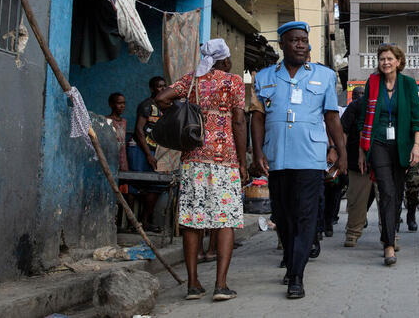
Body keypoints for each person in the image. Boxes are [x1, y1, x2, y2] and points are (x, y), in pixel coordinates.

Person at [251, 21, 346, 298]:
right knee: (283, 216)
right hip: (277, 157)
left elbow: (332, 117)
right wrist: (257, 153)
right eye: (294, 40)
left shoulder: (324, 76)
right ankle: (292, 263)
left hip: (310, 157)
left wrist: (341, 152)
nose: (301, 44)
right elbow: (257, 117)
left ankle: (296, 276)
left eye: (304, 40)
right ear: (282, 44)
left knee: (305, 216)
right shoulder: (265, 77)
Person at [155, 38, 248, 301]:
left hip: (193, 159)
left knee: (192, 220)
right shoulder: (233, 82)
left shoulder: (191, 80)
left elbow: (161, 98)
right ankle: (220, 285)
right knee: (225, 220)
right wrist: (242, 162)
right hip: (224, 159)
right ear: (225, 60)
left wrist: (184, 109)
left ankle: (193, 284)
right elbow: (239, 121)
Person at [357, 43, 419, 266]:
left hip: (402, 145)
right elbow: (363, 117)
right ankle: (388, 244)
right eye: (382, 59)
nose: (385, 62)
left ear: (398, 61)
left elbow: (417, 118)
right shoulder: (373, 83)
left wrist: (416, 146)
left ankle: (391, 231)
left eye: (389, 58)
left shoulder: (408, 84)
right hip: (378, 143)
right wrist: (361, 150)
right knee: (386, 191)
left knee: (396, 193)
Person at [130, 76, 167, 233]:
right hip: (140, 149)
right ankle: (132, 223)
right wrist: (148, 155)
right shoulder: (147, 105)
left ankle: (144, 221)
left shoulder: (166, 108)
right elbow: (139, 131)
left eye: (164, 86)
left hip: (156, 150)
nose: (163, 89)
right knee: (134, 184)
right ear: (152, 89)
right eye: (159, 86)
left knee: (157, 185)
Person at [341, 86, 373, 247]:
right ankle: (352, 232)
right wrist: (342, 155)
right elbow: (343, 131)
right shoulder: (356, 106)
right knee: (356, 199)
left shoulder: (391, 104)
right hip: (357, 160)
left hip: (385, 161)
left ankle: (390, 236)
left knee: (388, 200)